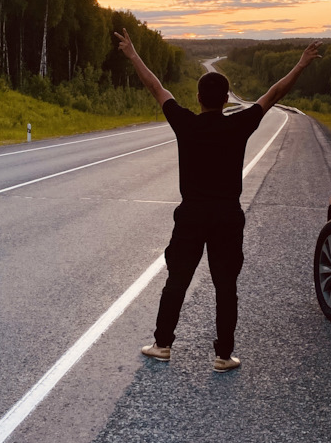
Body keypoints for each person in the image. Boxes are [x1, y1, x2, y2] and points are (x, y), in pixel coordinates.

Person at [114, 30, 320, 371]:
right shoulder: (239, 125)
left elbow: (155, 87)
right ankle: (224, 355)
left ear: (197, 98)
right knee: (225, 286)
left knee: (177, 279)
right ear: (226, 100)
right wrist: (301, 63)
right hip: (227, 216)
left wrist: (134, 55)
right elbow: (275, 93)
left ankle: (162, 344)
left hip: (192, 215)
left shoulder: (186, 124)